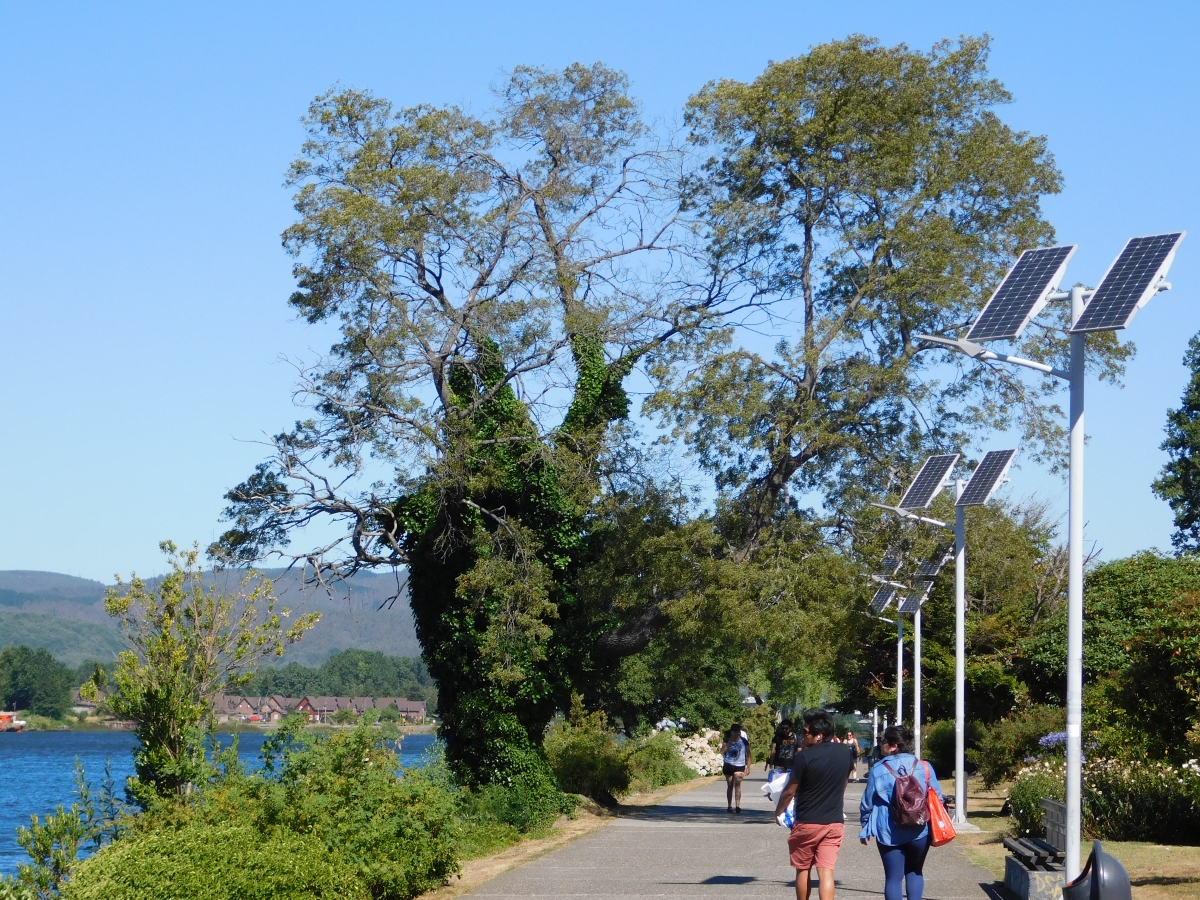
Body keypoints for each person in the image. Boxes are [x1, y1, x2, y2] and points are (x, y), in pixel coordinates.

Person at [775, 709, 857, 900]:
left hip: (807, 822)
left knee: (803, 869)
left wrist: (779, 811)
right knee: (826, 871)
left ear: (819, 736)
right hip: (834, 822)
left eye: (805, 733)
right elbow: (844, 781)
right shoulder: (844, 752)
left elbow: (789, 791)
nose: (802, 737)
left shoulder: (804, 757)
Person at [859, 725, 945, 900]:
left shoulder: (878, 770)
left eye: (883, 741)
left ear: (893, 745)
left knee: (893, 878)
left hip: (888, 830)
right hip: (920, 829)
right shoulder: (925, 767)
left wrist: (866, 824)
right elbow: (939, 798)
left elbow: (867, 802)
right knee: (915, 871)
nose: (881, 744)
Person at [719, 724, 750, 813]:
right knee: (730, 785)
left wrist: (748, 766)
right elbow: (722, 751)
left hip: (740, 765)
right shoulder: (726, 740)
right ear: (733, 732)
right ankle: (729, 806)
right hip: (729, 764)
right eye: (737, 732)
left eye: (739, 732)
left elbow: (748, 753)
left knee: (738, 785)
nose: (738, 734)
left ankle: (737, 805)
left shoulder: (744, 741)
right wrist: (730, 741)